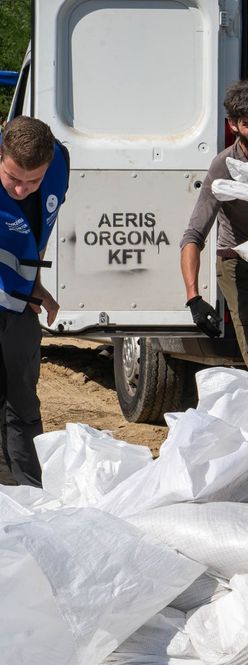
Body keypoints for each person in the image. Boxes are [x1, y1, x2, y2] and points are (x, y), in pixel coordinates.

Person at [180, 76, 248, 368]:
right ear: (233, 125)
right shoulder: (224, 165)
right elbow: (193, 235)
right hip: (240, 262)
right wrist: (193, 299)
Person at [0, 117, 66, 486]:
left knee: (22, 398)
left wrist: (35, 286)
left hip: (18, 301)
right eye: (12, 179)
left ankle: (29, 493)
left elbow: (36, 235)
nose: (22, 190)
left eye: (33, 181)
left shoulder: (59, 166)